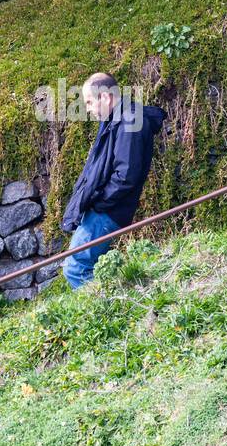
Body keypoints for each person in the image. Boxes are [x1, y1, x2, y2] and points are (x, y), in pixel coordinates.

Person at [60, 73, 166, 289]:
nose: (88, 109)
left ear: (106, 97)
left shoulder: (129, 121)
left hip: (107, 210)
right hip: (104, 208)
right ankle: (112, 301)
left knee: (76, 267)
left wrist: (99, 202)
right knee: (91, 266)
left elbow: (126, 177)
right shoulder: (116, 119)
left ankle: (103, 313)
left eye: (90, 102)